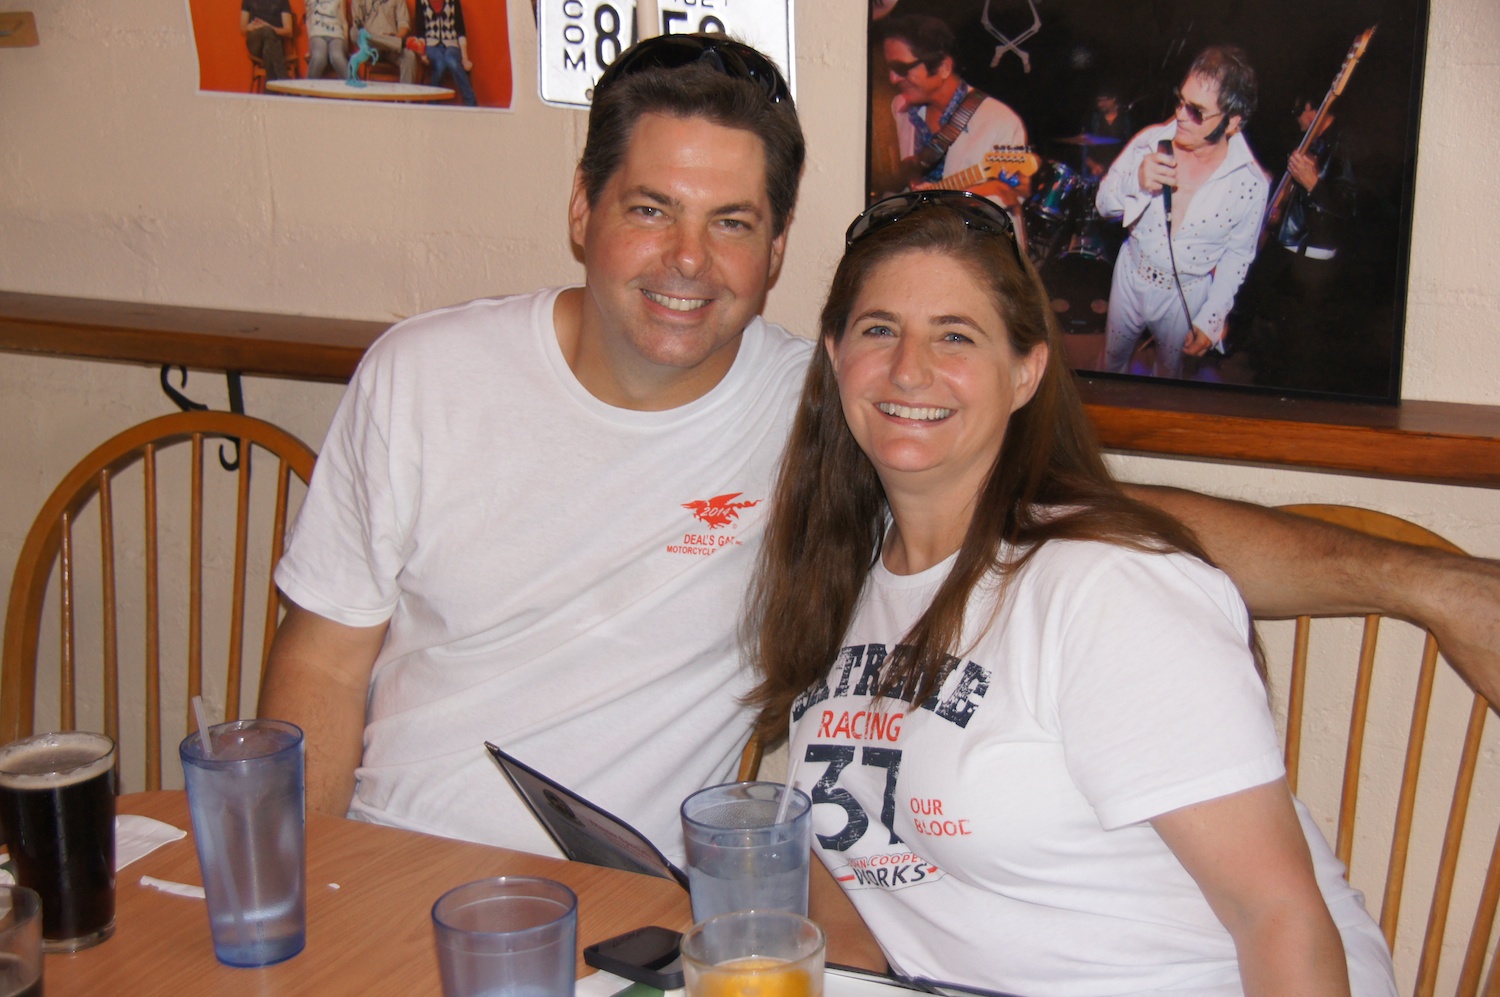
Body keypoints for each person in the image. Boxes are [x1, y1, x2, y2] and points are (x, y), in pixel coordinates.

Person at [260, 32, 1500, 869]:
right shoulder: (421, 377)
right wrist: (308, 886)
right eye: (650, 209)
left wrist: (1426, 584)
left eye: (731, 221)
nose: (688, 262)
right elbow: (318, 668)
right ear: (583, 209)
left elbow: (1092, 518)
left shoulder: (831, 408)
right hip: (385, 868)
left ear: (777, 246)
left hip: (625, 916)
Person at [747, 190, 1397, 996]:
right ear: (836, 353)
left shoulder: (1108, 589)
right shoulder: (842, 570)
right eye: (880, 329)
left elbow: (1278, 915)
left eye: (955, 335)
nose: (909, 368)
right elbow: (856, 857)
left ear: (1026, 372)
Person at [1097, 46, 1267, 379]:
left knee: (1170, 375)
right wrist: (1137, 182)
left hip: (1187, 293)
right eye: (1181, 101)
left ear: (1232, 122)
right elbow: (1103, 205)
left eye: (1197, 111)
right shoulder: (1149, 142)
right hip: (1131, 274)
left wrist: (1213, 317)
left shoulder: (1249, 183)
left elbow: (1238, 256)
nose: (1181, 116)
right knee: (1111, 361)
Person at [1244, 95, 1360, 389]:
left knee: (1302, 340)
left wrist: (1314, 184)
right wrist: (1278, 206)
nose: (1296, 119)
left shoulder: (1344, 142)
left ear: (1313, 107)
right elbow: (1294, 199)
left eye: (1298, 110)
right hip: (1288, 245)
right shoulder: (1309, 142)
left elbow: (1351, 208)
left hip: (1315, 258)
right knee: (1267, 317)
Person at [880, 15, 1032, 211]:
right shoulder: (900, 107)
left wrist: (949, 201)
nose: (893, 79)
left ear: (943, 67)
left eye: (901, 68)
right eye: (889, 69)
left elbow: (1013, 194)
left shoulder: (1001, 121)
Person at [412, 0, 477, 107]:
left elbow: (460, 30)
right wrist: (422, 54)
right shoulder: (421, 1)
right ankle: (433, 105)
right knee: (440, 64)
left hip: (452, 44)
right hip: (431, 45)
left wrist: (465, 58)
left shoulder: (453, 1)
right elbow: (420, 31)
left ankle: (472, 104)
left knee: (451, 61)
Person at [348, 0, 417, 85]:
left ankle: (406, 94)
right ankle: (395, 43)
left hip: (391, 48)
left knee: (409, 56)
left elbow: (404, 25)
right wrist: (394, 43)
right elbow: (358, 24)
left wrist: (395, 38)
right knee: (354, 32)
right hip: (370, 47)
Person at [239, 0, 293, 85]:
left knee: (268, 43)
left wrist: (270, 28)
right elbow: (243, 29)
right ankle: (283, 79)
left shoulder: (283, 1)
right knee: (268, 34)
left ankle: (271, 88)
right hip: (256, 43)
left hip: (274, 44)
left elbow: (289, 31)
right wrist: (250, 27)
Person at [304, 0, 349, 81]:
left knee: (336, 56)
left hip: (336, 34)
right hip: (317, 33)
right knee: (319, 57)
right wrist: (310, 45)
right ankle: (307, 88)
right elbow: (308, 21)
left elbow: (344, 21)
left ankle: (354, 85)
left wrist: (346, 46)